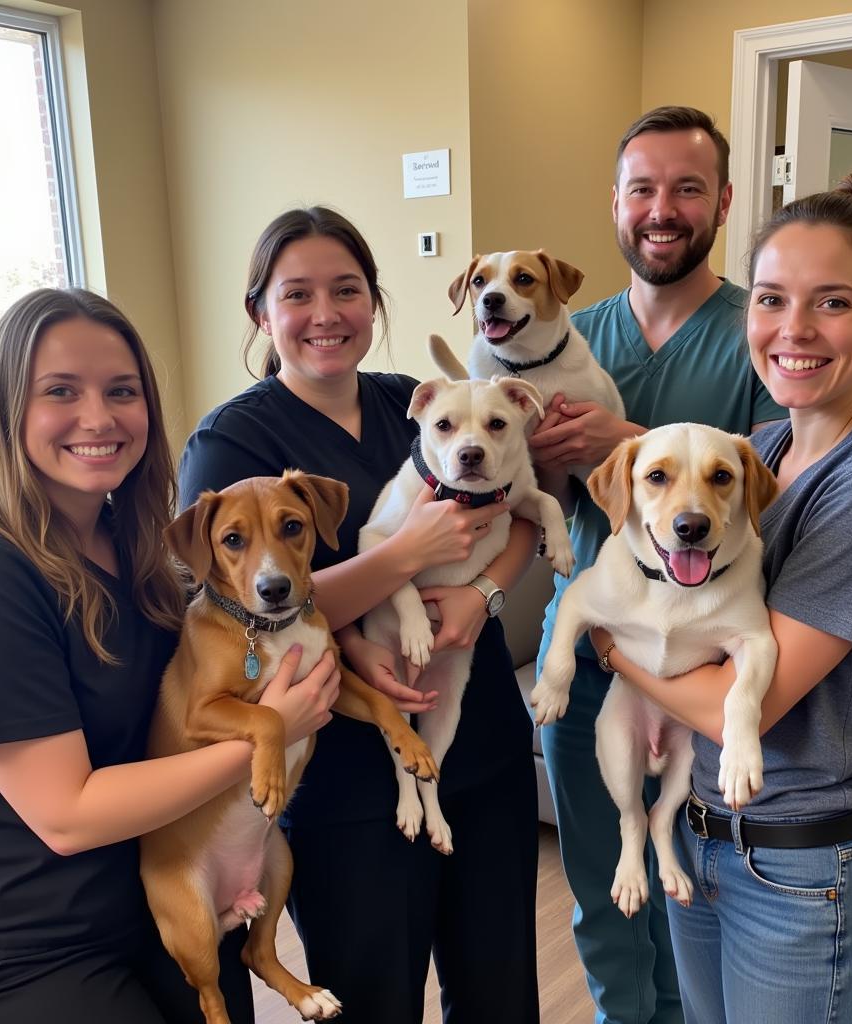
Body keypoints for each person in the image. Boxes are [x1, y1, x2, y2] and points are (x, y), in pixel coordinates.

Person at [591, 165, 852, 1023]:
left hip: (805, 874)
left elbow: (738, 709)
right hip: (705, 839)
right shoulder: (755, 453)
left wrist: (607, 645)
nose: (793, 330)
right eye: (771, 299)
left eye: (833, 302)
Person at [0, 288, 341, 1024]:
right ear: (6, 408)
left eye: (121, 391)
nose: (98, 418)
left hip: (153, 891)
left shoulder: (135, 539)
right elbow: (66, 814)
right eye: (61, 391)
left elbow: (254, 629)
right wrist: (276, 727)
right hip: (26, 943)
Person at [178, 206, 542, 1024]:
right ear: (259, 313)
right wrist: (401, 560)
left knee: (502, 992)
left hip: (476, 738)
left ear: (373, 303)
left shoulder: (419, 405)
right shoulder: (230, 447)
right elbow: (248, 612)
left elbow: (518, 514)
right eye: (296, 294)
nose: (325, 315)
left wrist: (482, 597)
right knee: (375, 998)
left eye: (347, 290)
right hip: (343, 773)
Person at [527, 106, 786, 1024]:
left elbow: (774, 484)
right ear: (616, 204)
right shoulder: (564, 335)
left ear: (720, 201)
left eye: (686, 188)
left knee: (692, 891)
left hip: (702, 667)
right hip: (593, 651)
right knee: (603, 889)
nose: (662, 209)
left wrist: (634, 442)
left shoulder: (757, 332)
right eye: (643, 189)